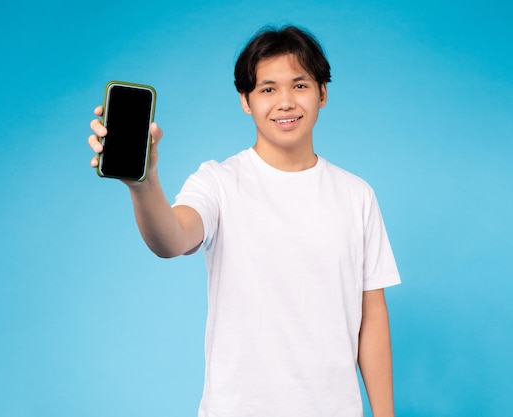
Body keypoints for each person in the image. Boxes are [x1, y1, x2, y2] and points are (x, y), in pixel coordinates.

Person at [88, 25, 400, 417]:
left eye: (300, 85)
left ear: (323, 93)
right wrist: (143, 181)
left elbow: (371, 317)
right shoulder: (218, 182)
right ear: (245, 101)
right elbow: (171, 239)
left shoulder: (357, 195)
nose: (285, 102)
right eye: (267, 89)